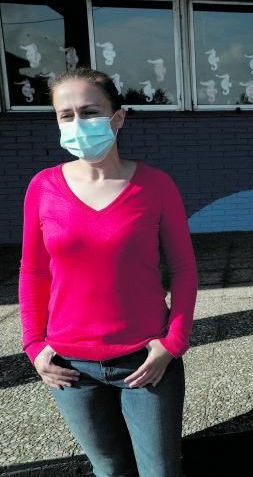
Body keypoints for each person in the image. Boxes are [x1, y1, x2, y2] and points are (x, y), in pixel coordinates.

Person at [19, 68, 197, 477]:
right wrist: (33, 345)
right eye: (66, 115)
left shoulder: (155, 185)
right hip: (70, 367)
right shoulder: (42, 187)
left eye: (89, 111)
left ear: (118, 118)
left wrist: (174, 342)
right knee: (108, 468)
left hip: (146, 361)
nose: (78, 124)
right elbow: (32, 271)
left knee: (160, 470)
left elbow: (184, 268)